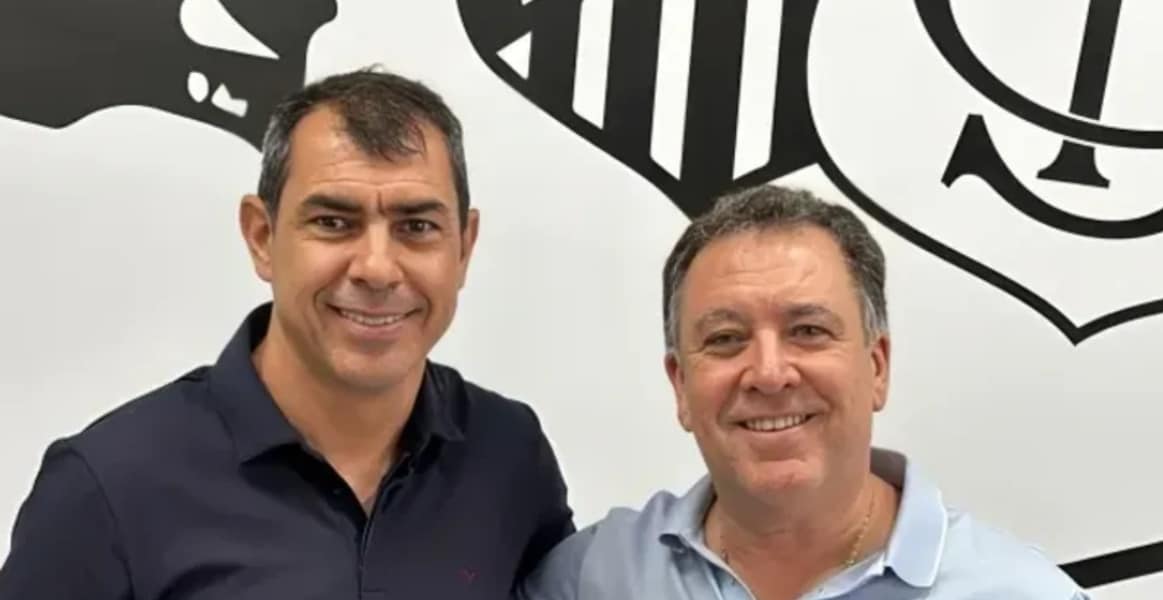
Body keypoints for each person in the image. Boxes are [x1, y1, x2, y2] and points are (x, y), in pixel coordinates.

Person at [0, 67, 573, 598]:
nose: (376, 267)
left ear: (464, 247)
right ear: (261, 236)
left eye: (417, 226)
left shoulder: (509, 454)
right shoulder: (108, 486)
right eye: (333, 222)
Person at [517, 184, 1089, 599]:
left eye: (808, 331)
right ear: (681, 386)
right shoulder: (590, 578)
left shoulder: (1021, 593)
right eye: (725, 338)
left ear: (878, 366)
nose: (768, 373)